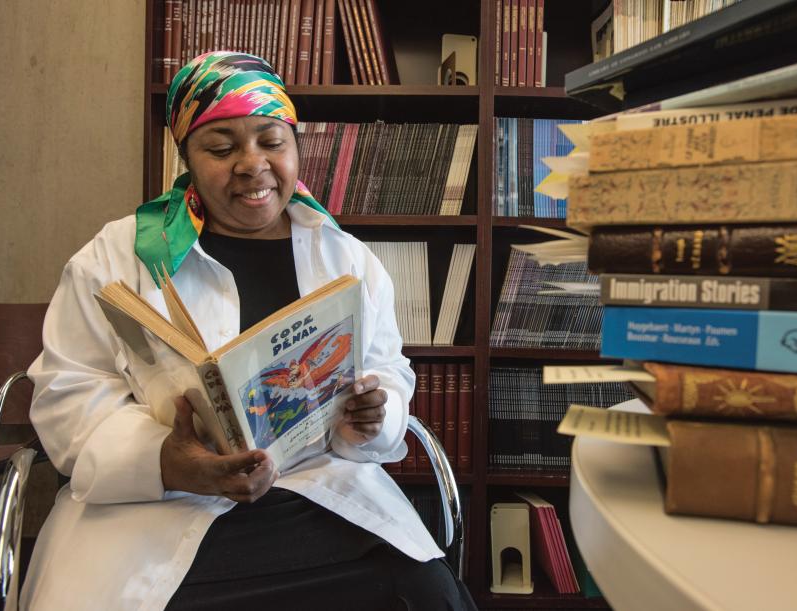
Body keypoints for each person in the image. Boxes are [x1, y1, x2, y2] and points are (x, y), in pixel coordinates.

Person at [24, 51, 476, 610]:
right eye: (221, 148)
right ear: (185, 155)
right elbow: (68, 397)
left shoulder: (346, 258)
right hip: (160, 508)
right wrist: (168, 461)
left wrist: (373, 417)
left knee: (426, 595)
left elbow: (388, 369)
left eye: (271, 141)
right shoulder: (117, 257)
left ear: (295, 146)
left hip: (317, 497)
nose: (251, 163)